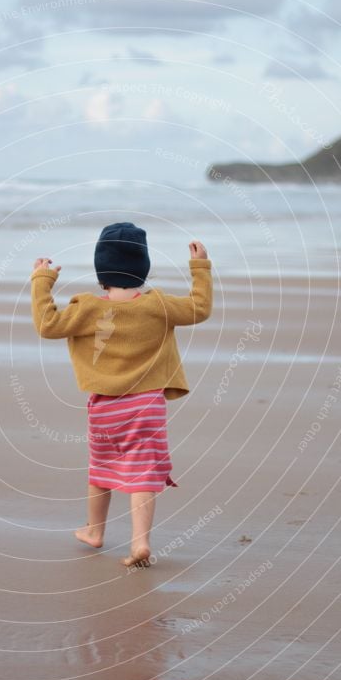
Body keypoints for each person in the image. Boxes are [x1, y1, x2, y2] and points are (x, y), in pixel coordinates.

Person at [31, 222, 213, 568]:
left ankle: (95, 532)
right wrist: (199, 267)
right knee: (143, 473)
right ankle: (140, 542)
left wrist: (42, 281)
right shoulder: (157, 305)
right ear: (144, 271)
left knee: (100, 469)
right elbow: (199, 308)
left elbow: (47, 324)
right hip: (147, 407)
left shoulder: (86, 308)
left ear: (101, 274)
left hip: (103, 409)